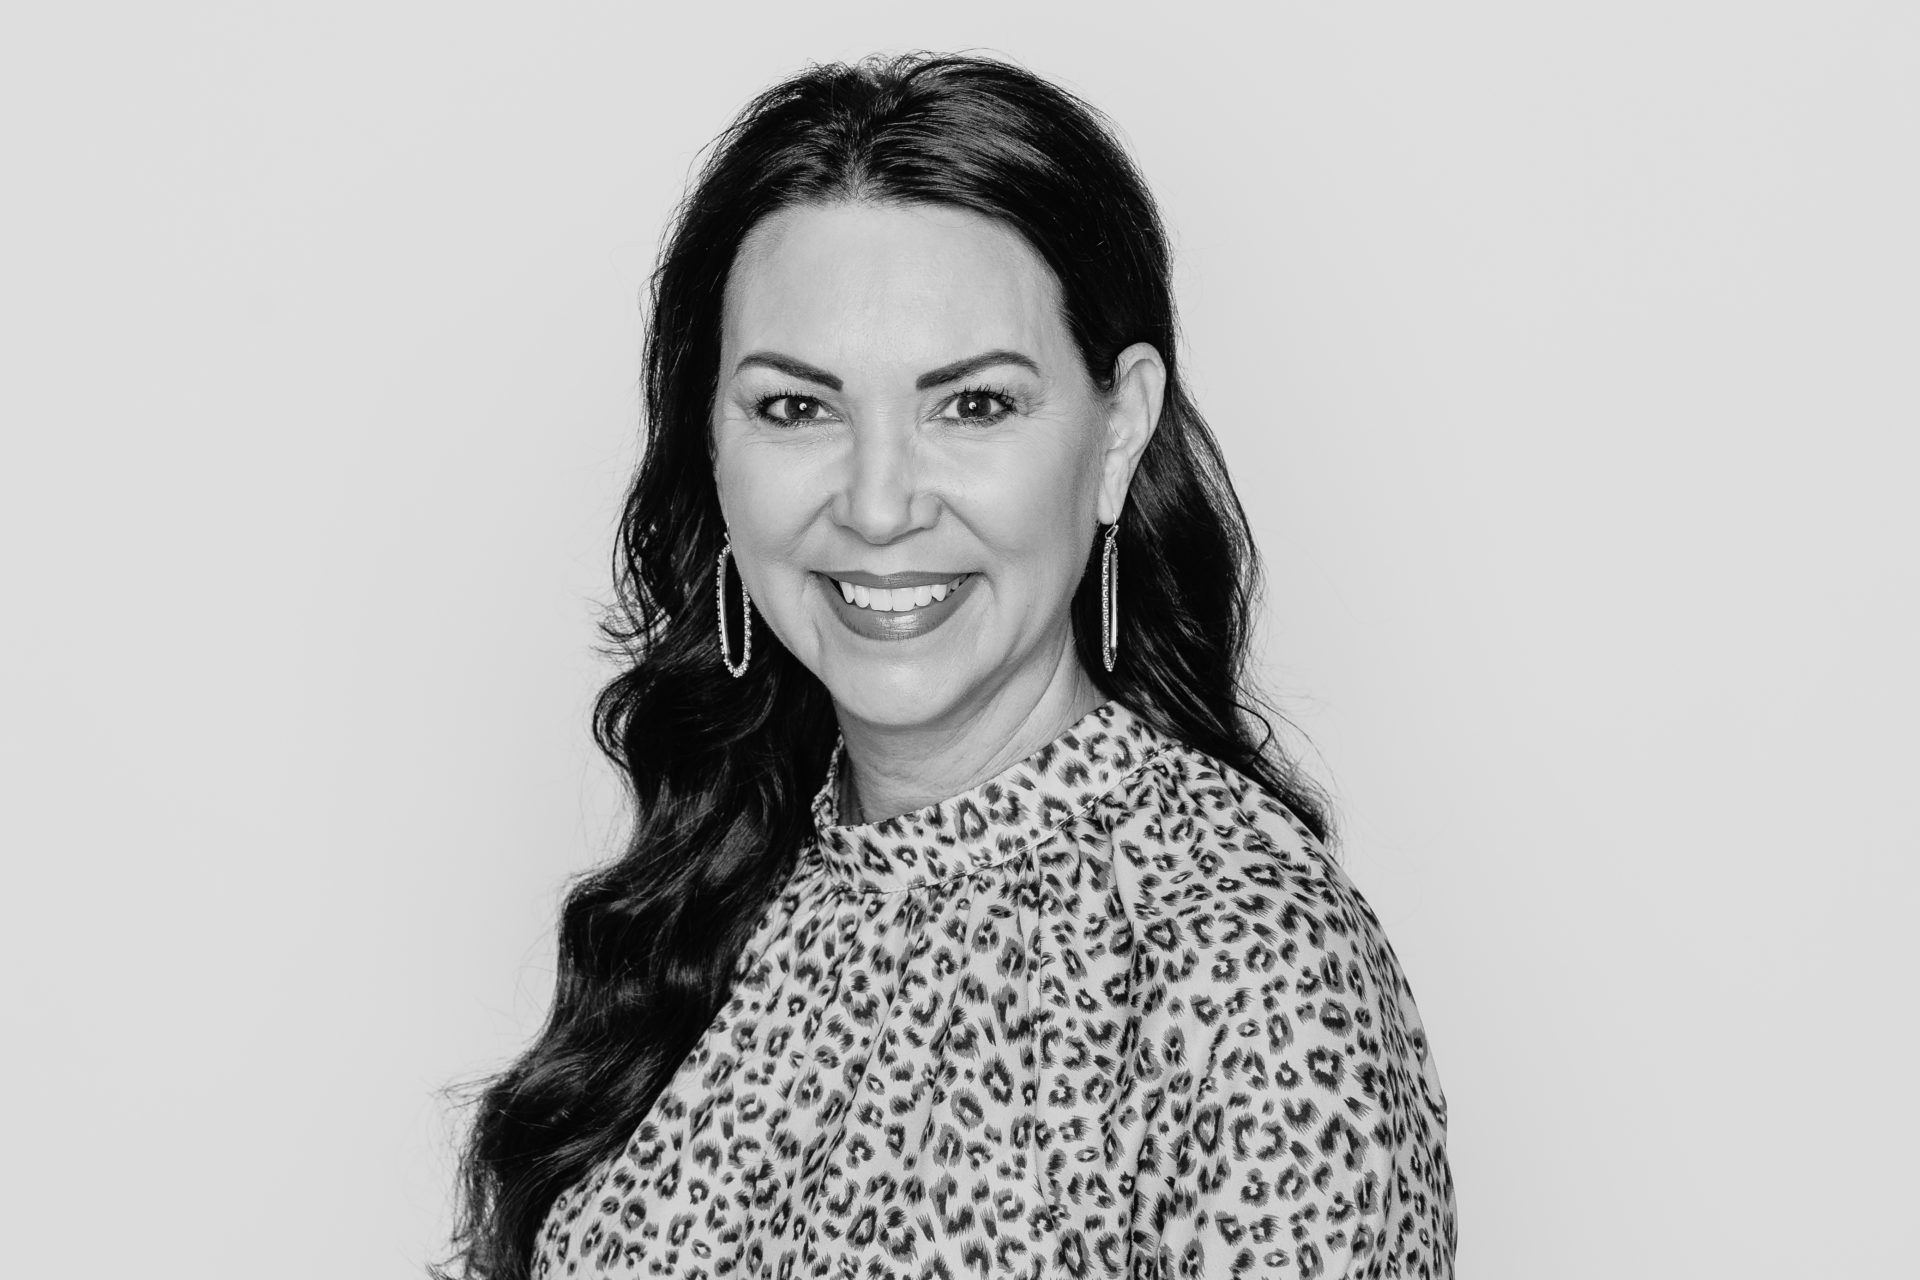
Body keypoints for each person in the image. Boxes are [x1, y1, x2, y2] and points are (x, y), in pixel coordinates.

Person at [444, 51, 1455, 1280]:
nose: (879, 505)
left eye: (972, 405)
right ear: (711, 439)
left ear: (1118, 429)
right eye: (796, 408)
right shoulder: (716, 890)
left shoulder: (1246, 961)